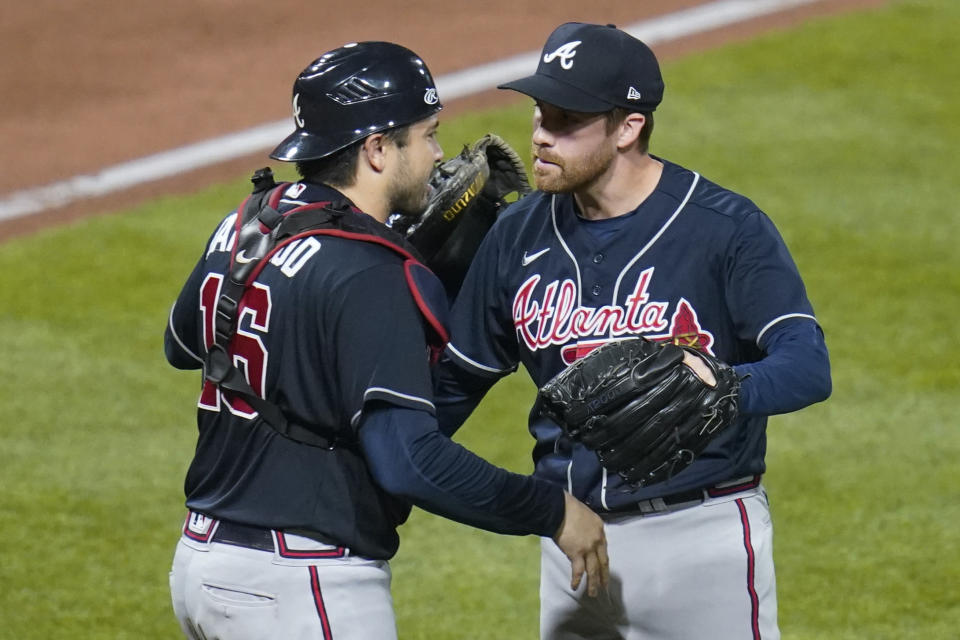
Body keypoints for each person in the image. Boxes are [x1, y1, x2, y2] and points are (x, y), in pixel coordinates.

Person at [163, 41, 608, 640]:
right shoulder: (374, 272)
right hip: (301, 583)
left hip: (201, 566)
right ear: (377, 149)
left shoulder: (250, 219)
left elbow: (184, 344)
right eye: (426, 135)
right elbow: (409, 461)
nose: (439, 153)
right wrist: (551, 510)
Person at [434, 22, 832, 640]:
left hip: (702, 540)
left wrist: (718, 383)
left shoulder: (724, 228)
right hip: (572, 540)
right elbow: (454, 384)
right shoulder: (515, 234)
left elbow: (806, 365)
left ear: (628, 127)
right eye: (540, 113)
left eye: (566, 120)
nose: (540, 136)